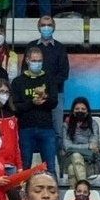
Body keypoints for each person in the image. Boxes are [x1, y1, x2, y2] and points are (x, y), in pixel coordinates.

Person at [11, 46, 58, 174]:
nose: (37, 64)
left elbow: (54, 102)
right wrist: (32, 103)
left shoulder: (49, 79)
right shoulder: (18, 82)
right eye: (34, 61)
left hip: (46, 128)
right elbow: (14, 106)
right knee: (24, 168)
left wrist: (45, 97)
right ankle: (24, 193)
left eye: (39, 61)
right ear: (27, 60)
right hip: (25, 128)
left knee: (50, 168)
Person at [29, 15, 70, 154]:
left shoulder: (60, 48)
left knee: (57, 130)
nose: (46, 28)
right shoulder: (31, 46)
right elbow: (25, 71)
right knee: (34, 129)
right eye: (43, 25)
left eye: (49, 25)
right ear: (38, 27)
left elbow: (64, 73)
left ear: (54, 27)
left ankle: (56, 163)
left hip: (56, 95)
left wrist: (47, 88)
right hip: (33, 93)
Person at [62, 96, 100, 188]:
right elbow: (67, 146)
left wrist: (74, 148)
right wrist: (87, 147)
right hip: (69, 160)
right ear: (73, 111)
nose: (80, 111)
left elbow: (94, 147)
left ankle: (76, 196)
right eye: (77, 109)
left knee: (72, 169)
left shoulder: (93, 124)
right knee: (76, 156)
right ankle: (85, 189)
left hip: (89, 162)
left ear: (87, 112)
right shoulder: (66, 125)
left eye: (83, 109)